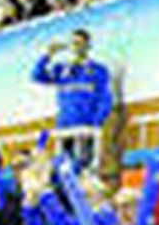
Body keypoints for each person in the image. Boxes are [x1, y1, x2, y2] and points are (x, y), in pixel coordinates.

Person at [32, 28, 111, 168]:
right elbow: (37, 76)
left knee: (84, 167)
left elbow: (105, 98)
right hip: (64, 126)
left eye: (80, 43)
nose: (76, 47)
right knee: (64, 168)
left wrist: (96, 123)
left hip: (85, 126)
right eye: (73, 43)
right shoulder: (62, 69)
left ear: (88, 45)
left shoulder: (98, 70)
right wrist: (48, 54)